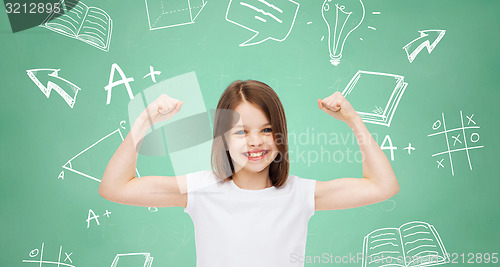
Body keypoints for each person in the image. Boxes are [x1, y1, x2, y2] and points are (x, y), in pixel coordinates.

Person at [99, 80, 399, 267]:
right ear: (223, 139)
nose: (256, 141)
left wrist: (353, 121)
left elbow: (382, 186)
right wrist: (144, 121)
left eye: (267, 130)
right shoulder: (201, 189)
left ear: (279, 135)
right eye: (242, 132)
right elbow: (115, 187)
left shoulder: (300, 194)